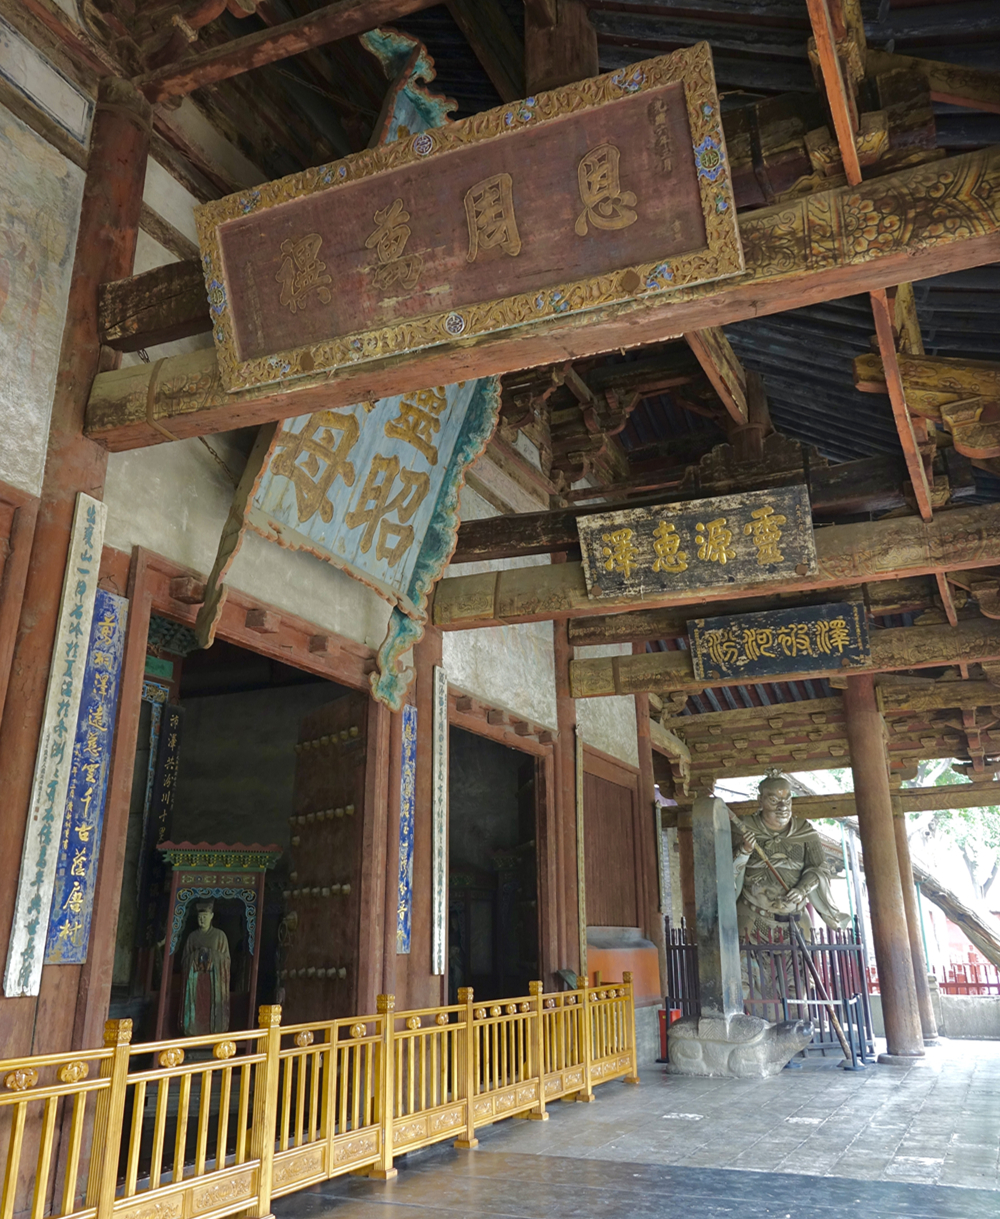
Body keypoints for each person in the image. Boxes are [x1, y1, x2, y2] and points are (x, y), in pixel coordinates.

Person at [732, 771, 850, 942]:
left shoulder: (804, 831)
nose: (783, 807)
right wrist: (745, 850)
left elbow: (820, 869)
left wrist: (802, 889)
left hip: (796, 919)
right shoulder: (744, 827)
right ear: (760, 800)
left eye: (787, 801)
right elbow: (724, 872)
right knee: (745, 958)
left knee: (803, 958)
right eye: (774, 801)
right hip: (751, 917)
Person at [180, 900, 231, 1036]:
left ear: (211, 916)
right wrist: (196, 956)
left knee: (212, 1010)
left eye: (205, 917)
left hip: (214, 982)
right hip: (196, 981)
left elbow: (226, 961)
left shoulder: (219, 936)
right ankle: (192, 1029)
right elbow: (185, 960)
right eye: (199, 917)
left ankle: (216, 1028)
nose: (202, 920)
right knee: (195, 1008)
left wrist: (212, 956)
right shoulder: (192, 937)